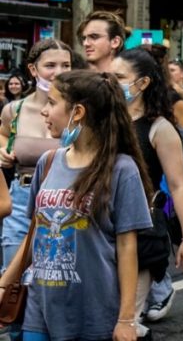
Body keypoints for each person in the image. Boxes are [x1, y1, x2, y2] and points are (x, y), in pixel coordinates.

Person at [0, 70, 151, 341]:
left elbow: (127, 247)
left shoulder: (121, 169)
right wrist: (3, 283)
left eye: (52, 103)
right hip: (40, 309)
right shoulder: (47, 162)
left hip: (93, 315)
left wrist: (126, 319)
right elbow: (34, 233)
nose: (44, 111)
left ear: (77, 111)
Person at [112, 49, 183, 330]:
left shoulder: (159, 128)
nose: (111, 83)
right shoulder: (102, 120)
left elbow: (178, 186)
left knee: (125, 322)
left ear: (143, 83)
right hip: (101, 232)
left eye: (119, 77)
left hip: (143, 235)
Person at [0, 39, 72, 283]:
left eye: (66, 65)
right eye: (50, 65)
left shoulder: (80, 111)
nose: (59, 72)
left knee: (53, 278)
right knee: (12, 277)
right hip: (21, 198)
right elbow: (3, 135)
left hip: (63, 202)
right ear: (33, 69)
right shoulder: (15, 110)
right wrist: (4, 152)